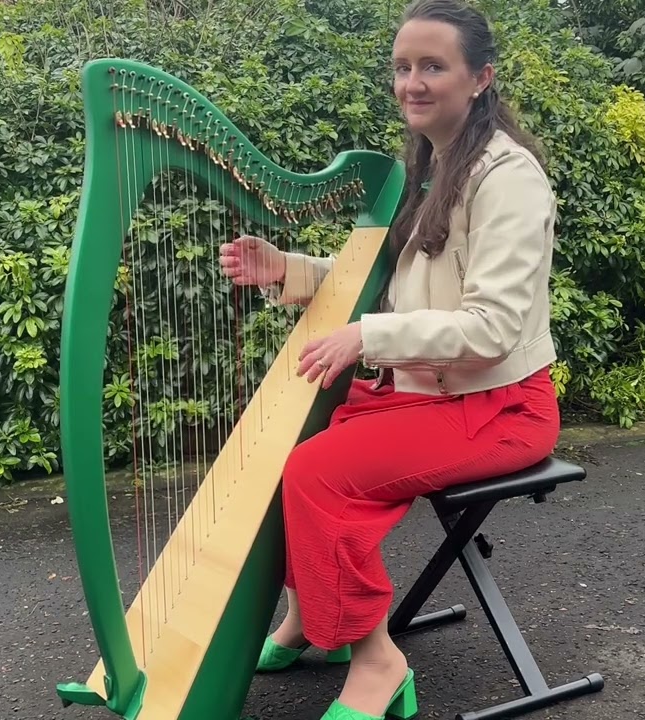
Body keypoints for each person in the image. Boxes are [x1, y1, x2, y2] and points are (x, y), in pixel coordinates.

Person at [218, 1, 560, 718]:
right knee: (294, 449)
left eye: (433, 66)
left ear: (480, 78)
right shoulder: (432, 166)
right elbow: (388, 285)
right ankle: (311, 618)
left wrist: (367, 338)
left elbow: (493, 328)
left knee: (318, 473)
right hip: (427, 393)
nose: (412, 82)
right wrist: (287, 269)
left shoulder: (509, 178)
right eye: (403, 67)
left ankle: (377, 662)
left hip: (498, 406)